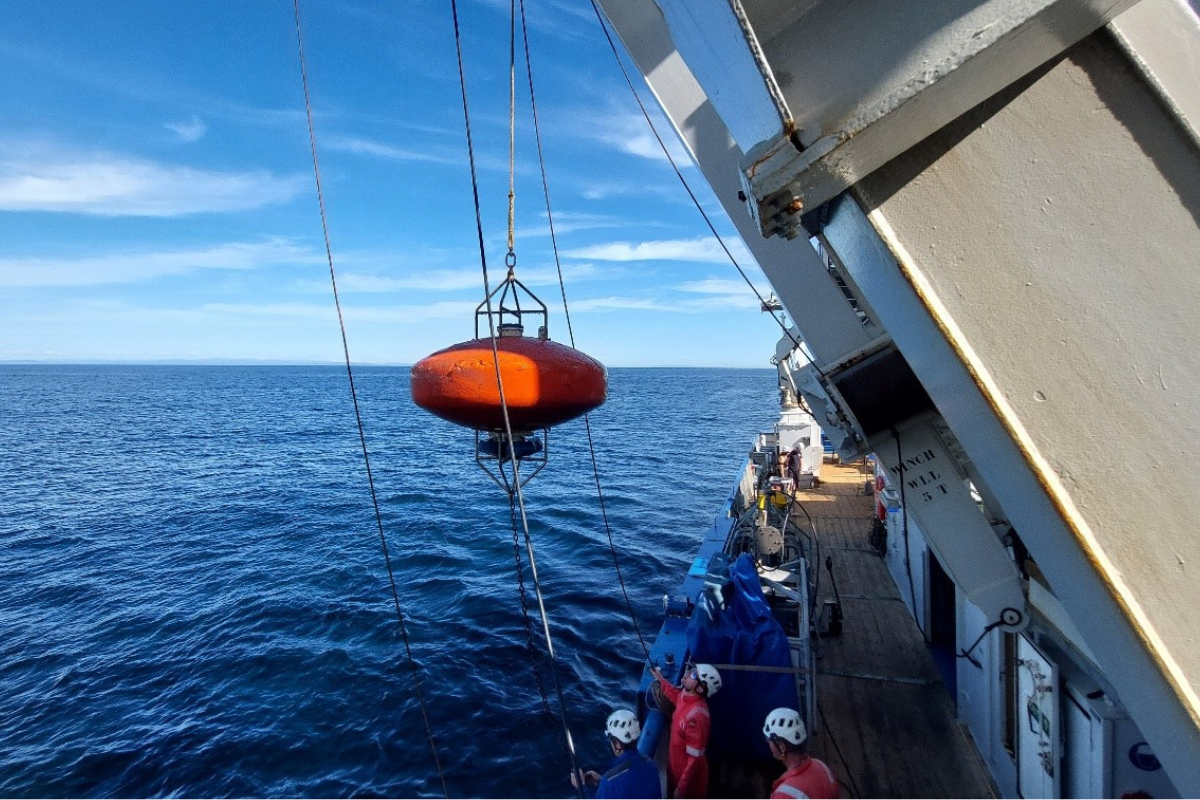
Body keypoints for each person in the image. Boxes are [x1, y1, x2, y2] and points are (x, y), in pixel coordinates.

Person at [649, 661, 721, 799]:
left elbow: (695, 760)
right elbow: (676, 697)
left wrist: (681, 789)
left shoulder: (697, 718)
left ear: (700, 689)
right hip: (674, 768)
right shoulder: (686, 695)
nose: (688, 674)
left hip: (688, 782)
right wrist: (660, 678)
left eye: (693, 675)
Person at [570, 709, 662, 799]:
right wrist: (602, 780)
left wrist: (581, 787)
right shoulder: (651, 764)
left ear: (617, 744)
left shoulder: (609, 782)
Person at [762, 707, 838, 799]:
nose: (767, 743)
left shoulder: (784, 794)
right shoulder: (821, 765)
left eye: (769, 740)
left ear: (782, 747)